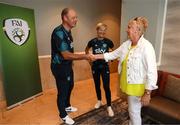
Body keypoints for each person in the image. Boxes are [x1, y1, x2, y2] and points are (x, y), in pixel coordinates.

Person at [93, 17, 158, 125]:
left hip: (137, 87)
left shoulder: (146, 47)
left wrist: (148, 93)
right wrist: (95, 56)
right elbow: (111, 55)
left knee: (134, 112)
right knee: (133, 110)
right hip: (128, 84)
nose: (126, 30)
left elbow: (152, 71)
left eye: (129, 27)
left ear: (137, 30)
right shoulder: (127, 44)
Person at [51, 8, 94, 125]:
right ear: (65, 18)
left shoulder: (68, 31)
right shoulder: (58, 32)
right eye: (73, 18)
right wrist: (85, 56)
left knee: (70, 85)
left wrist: (72, 62)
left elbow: (69, 49)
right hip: (60, 67)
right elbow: (65, 55)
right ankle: (63, 115)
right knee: (63, 91)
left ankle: (67, 106)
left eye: (76, 17)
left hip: (67, 66)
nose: (76, 20)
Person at [85, 23, 114, 117]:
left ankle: (109, 106)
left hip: (105, 67)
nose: (102, 32)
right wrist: (90, 61)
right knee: (97, 85)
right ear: (97, 30)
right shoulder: (92, 41)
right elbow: (86, 50)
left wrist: (111, 60)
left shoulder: (108, 41)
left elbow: (114, 51)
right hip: (95, 67)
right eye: (100, 30)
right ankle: (99, 101)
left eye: (104, 30)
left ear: (106, 31)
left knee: (106, 86)